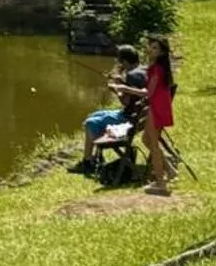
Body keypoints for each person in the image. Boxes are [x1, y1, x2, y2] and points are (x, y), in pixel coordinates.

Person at [69, 45, 144, 174]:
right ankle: (94, 157)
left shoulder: (132, 75)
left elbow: (125, 101)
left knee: (90, 123)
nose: (119, 64)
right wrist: (121, 81)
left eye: (120, 62)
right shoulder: (142, 70)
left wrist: (116, 90)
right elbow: (134, 92)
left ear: (124, 62)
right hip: (138, 116)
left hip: (128, 119)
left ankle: (88, 162)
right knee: (94, 115)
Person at [141, 36, 178, 196]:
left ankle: (161, 184)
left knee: (154, 146)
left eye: (155, 48)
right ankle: (169, 170)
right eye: (151, 46)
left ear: (162, 53)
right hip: (158, 107)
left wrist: (123, 88)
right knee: (146, 140)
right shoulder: (157, 67)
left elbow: (148, 93)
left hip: (156, 109)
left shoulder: (157, 69)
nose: (151, 49)